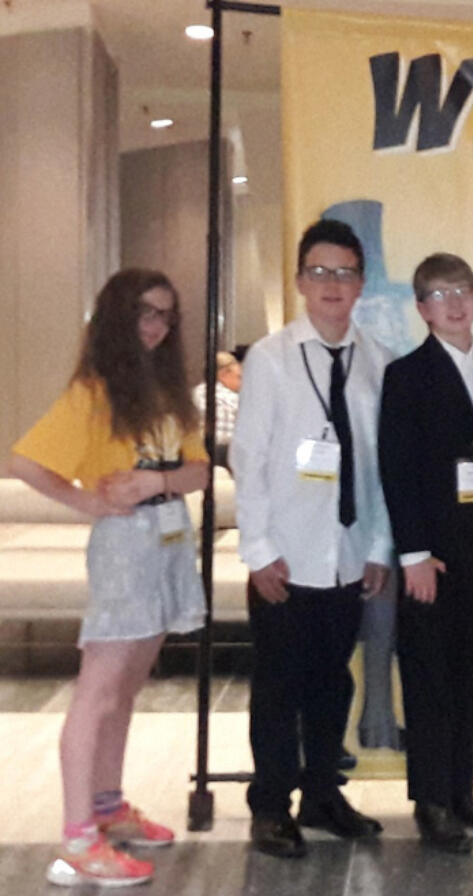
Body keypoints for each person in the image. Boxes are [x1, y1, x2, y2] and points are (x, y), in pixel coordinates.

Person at [9, 269, 208, 887]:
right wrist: (86, 503)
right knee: (98, 691)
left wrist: (157, 481)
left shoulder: (169, 392)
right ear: (119, 316)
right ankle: (77, 840)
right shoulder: (96, 392)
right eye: (147, 313)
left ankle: (107, 805)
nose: (157, 326)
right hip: (125, 544)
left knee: (127, 686)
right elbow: (24, 462)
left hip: (171, 535)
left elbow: (200, 473)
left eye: (166, 317)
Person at [230, 219, 391, 858]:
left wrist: (378, 548)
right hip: (285, 558)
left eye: (345, 273)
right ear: (300, 281)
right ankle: (270, 806)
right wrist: (259, 550)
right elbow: (250, 459)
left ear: (360, 285)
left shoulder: (377, 360)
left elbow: (383, 465)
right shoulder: (270, 359)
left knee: (333, 684)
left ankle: (323, 793)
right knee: (277, 689)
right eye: (320, 272)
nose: (332, 285)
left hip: (349, 558)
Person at [379, 252, 473, 854]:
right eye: (439, 294)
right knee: (429, 677)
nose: (453, 302)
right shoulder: (405, 375)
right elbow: (397, 470)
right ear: (422, 310)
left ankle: (461, 791)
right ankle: (430, 802)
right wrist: (412, 553)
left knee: (463, 675)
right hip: (429, 556)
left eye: (462, 290)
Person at [191, 351, 241, 470]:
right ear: (223, 375)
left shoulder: (196, 393)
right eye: (239, 377)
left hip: (198, 456)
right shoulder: (233, 399)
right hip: (226, 457)